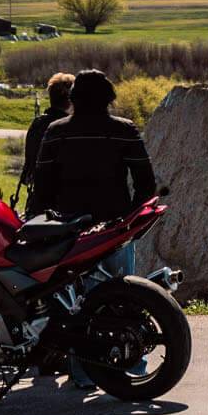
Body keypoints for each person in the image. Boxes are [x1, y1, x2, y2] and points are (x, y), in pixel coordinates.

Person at [29, 68, 156, 274]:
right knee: (122, 296)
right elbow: (146, 184)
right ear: (108, 97)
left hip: (66, 233)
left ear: (74, 98)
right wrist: (128, 223)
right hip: (114, 228)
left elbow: (42, 186)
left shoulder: (56, 131)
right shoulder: (125, 130)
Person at [15, 71, 75, 213]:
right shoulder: (70, 127)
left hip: (38, 201)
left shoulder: (38, 124)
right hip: (65, 203)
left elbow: (29, 167)